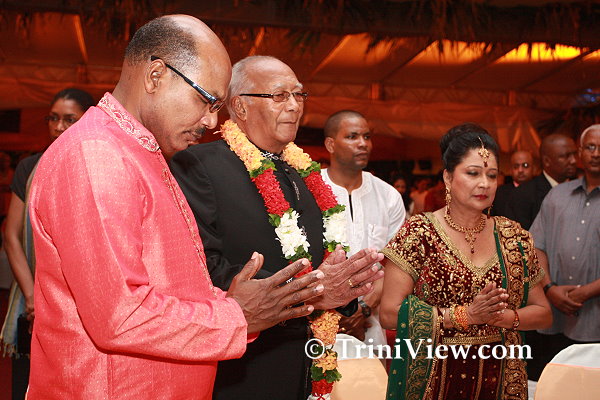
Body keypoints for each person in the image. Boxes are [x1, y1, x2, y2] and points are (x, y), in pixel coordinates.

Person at [25, 16, 329, 399]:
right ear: (156, 76)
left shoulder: (142, 150)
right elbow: (121, 315)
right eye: (205, 100)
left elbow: (171, 286)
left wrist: (236, 302)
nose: (211, 120)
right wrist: (235, 315)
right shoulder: (96, 154)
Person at [170, 55, 383, 400]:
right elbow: (202, 267)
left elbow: (319, 267)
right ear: (240, 106)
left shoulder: (305, 172)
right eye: (279, 96)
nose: (295, 106)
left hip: (307, 361)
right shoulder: (199, 165)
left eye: (299, 95)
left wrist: (341, 287)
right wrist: (311, 291)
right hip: (242, 365)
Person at [380, 123, 552, 399]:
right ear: (448, 177)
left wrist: (503, 317)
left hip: (500, 380)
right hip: (433, 379)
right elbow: (389, 313)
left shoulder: (513, 237)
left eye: (492, 175)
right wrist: (466, 315)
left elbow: (543, 313)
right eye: (473, 173)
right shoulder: (418, 233)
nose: (484, 183)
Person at [0, 88, 95, 399]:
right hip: (32, 301)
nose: (58, 127)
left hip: (79, 303)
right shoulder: (29, 167)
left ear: (87, 120)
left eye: (69, 119)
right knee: (27, 384)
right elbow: (11, 236)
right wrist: (32, 297)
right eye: (53, 119)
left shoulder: (97, 167)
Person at [321, 109, 405, 346]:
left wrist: (363, 309)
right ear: (330, 144)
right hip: (315, 322)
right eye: (352, 136)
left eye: (367, 137)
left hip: (369, 323)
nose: (363, 144)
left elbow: (396, 265)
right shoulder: (308, 188)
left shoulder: (388, 196)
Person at [527, 124, 600, 380]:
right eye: (590, 147)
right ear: (580, 152)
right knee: (554, 384)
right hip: (556, 316)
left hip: (595, 319)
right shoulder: (557, 196)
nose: (596, 153)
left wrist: (586, 292)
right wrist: (549, 288)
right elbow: (536, 247)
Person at [507, 134, 577, 230]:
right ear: (547, 161)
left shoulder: (581, 189)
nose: (573, 160)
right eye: (566, 156)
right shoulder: (523, 195)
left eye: (574, 154)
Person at [492, 150, 534, 218]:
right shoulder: (499, 193)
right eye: (516, 166)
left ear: (533, 168)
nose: (520, 170)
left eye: (525, 165)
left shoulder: (541, 191)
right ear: (511, 169)